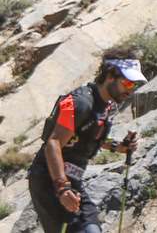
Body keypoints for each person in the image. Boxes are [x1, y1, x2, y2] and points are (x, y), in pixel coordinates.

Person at [30, 53, 143, 233]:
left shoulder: (106, 106)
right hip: (48, 180)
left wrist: (118, 147)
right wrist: (62, 188)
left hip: (72, 182)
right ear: (110, 75)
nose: (130, 90)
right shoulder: (78, 102)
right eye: (128, 83)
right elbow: (54, 143)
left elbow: (86, 135)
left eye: (134, 85)